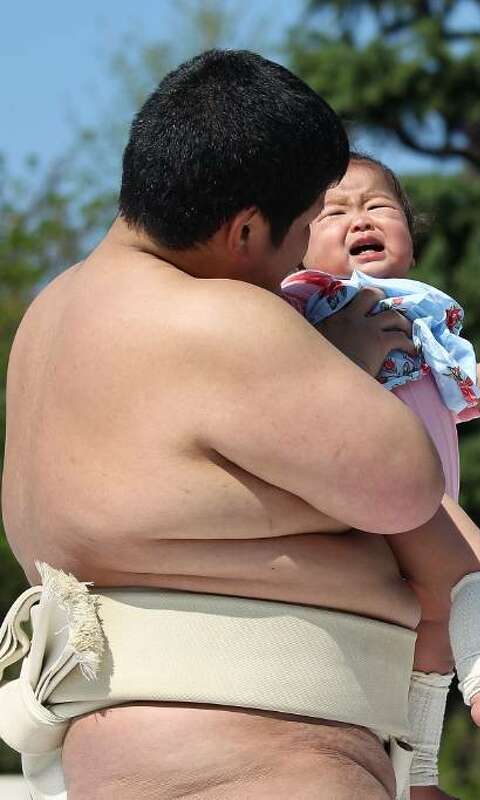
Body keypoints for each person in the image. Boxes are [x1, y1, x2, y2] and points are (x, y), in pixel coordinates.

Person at [0, 50, 446, 799]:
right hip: (254, 768)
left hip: (129, 759)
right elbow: (407, 485)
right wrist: (336, 357)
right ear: (244, 230)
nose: (308, 255)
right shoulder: (220, 319)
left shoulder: (51, 313)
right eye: (306, 226)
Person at [284, 153, 480, 798]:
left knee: (434, 635)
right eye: (334, 212)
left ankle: (416, 774)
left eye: (379, 207)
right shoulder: (310, 302)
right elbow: (292, 387)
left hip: (425, 497)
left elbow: (459, 397)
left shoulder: (422, 317)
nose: (360, 218)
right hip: (373, 489)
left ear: (411, 243)